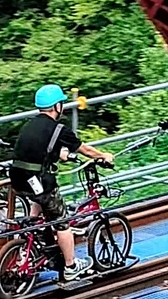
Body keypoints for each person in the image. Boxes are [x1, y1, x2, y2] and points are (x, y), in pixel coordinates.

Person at [7, 84, 113, 276]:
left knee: (40, 200)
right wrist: (103, 155)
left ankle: (35, 231)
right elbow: (86, 150)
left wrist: (59, 153)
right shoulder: (58, 129)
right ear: (57, 106)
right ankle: (71, 266)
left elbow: (37, 148)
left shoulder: (29, 125)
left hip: (18, 179)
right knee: (63, 221)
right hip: (39, 182)